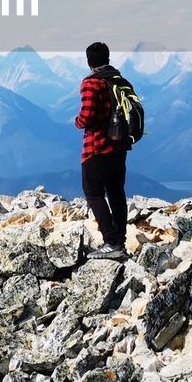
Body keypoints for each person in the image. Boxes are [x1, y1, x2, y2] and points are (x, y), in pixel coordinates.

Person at [75, 41, 131, 259]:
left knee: (93, 193)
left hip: (97, 147)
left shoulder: (91, 84)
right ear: (107, 58)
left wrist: (77, 121)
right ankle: (120, 241)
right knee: (116, 192)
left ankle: (110, 242)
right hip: (119, 146)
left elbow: (86, 115)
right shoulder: (118, 80)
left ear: (89, 62)